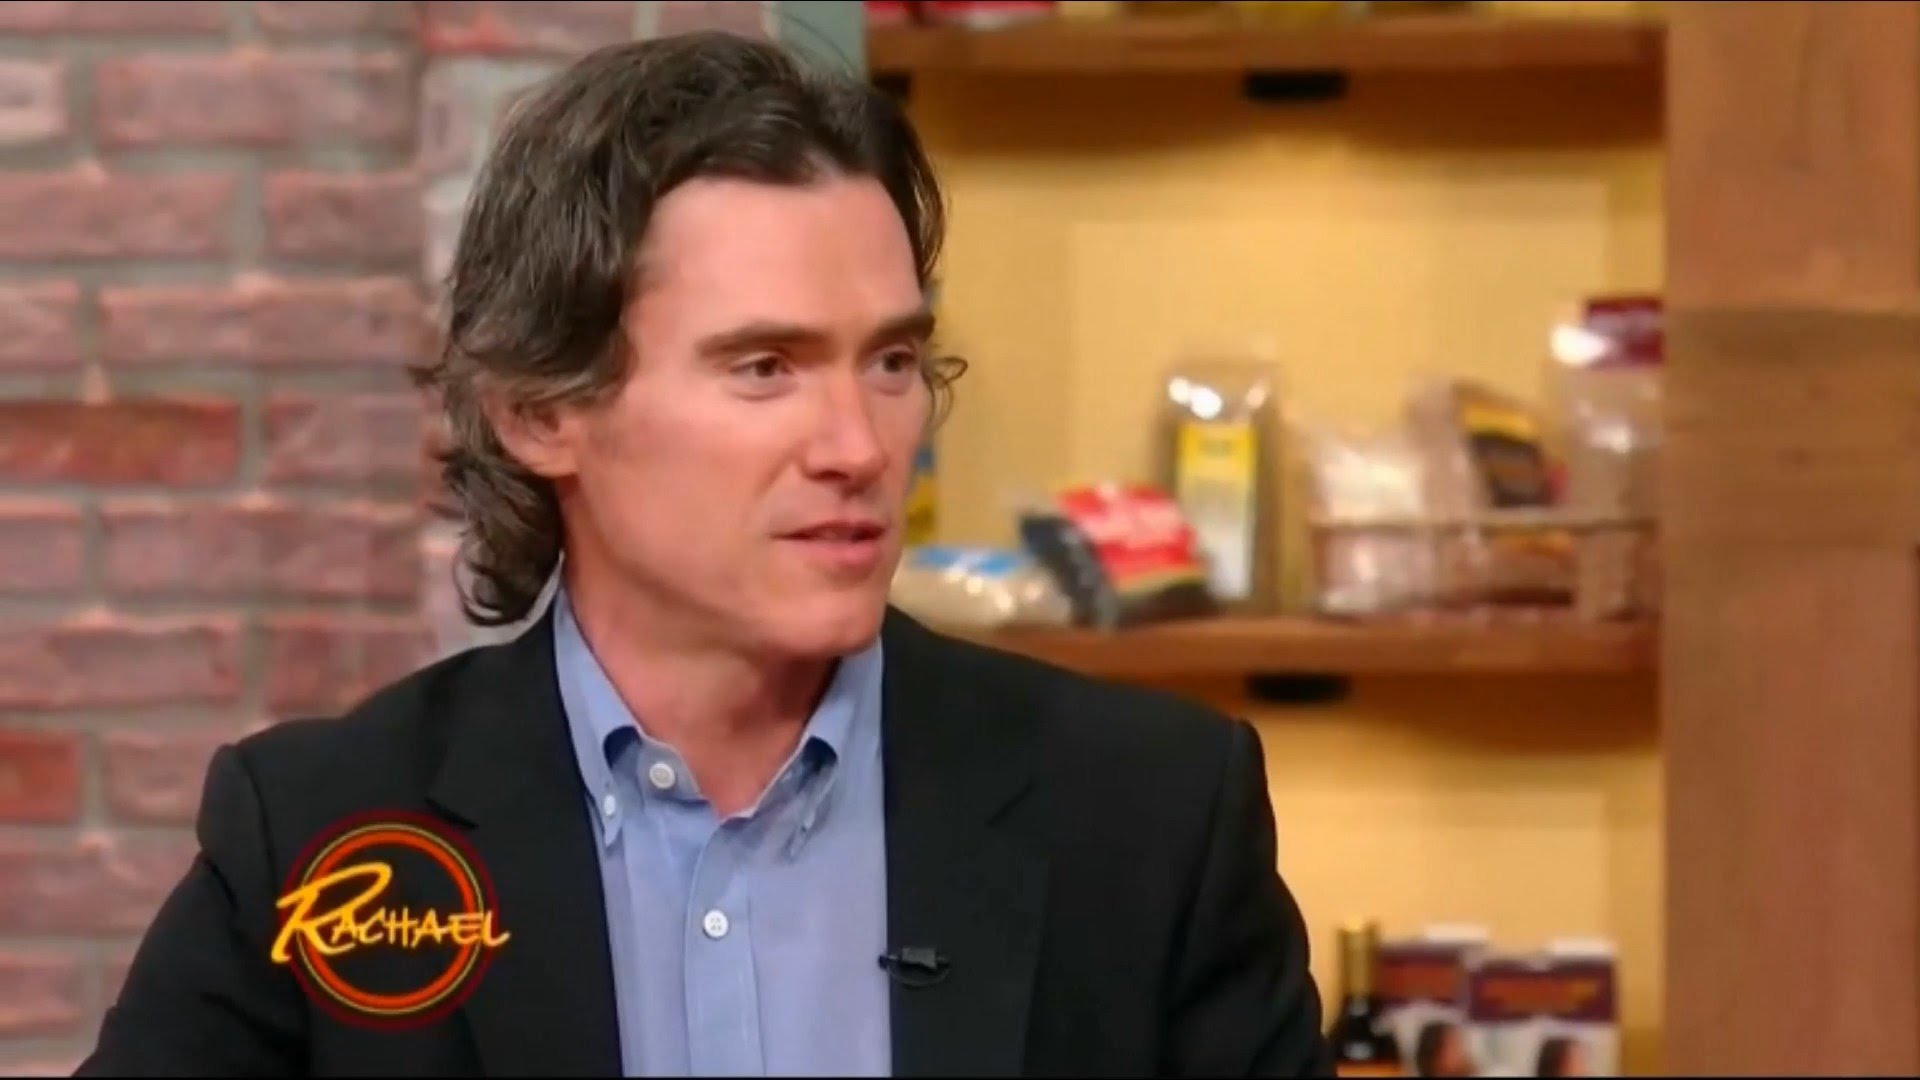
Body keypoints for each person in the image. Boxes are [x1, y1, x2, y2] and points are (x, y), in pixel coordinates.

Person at [76, 29, 1329, 1079]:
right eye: (765, 367)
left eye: (892, 361)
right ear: (542, 411)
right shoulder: (325, 837)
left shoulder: (1150, 819)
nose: (858, 446)